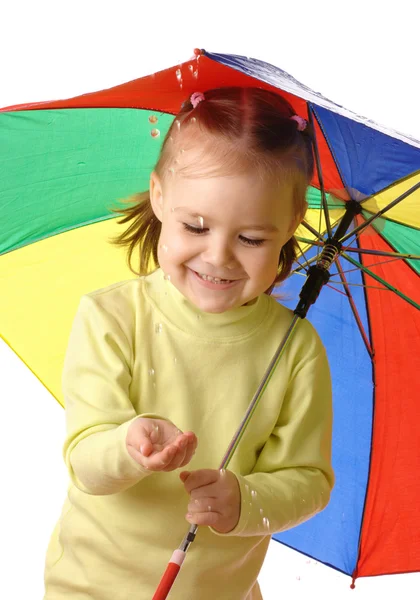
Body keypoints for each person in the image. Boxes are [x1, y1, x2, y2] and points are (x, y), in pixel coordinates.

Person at [43, 87, 334, 600]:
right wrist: (127, 445)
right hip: (90, 587)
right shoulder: (112, 318)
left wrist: (245, 500)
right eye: (195, 226)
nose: (218, 257)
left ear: (291, 224)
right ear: (160, 197)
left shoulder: (295, 350)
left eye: (251, 239)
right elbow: (86, 463)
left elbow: (309, 479)